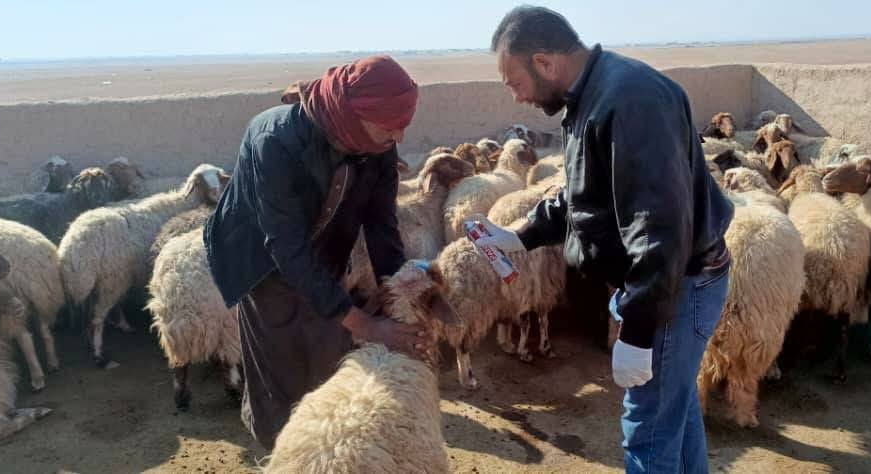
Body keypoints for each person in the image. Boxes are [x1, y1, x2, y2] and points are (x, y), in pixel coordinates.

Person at [478, 6, 735, 473]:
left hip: (676, 288)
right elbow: (583, 195)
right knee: (673, 414)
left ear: (543, 62)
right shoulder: (589, 98)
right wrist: (521, 237)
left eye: (514, 83)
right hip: (660, 287)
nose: (516, 98)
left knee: (649, 429)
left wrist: (637, 330)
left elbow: (658, 225)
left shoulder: (630, 100)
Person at [203, 55, 434, 450]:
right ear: (355, 114)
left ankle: (325, 451)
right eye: (391, 125)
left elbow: (381, 225)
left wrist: (401, 293)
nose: (399, 136)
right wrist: (367, 325)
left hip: (324, 254)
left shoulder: (376, 146)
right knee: (280, 374)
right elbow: (286, 248)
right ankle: (281, 453)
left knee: (330, 359)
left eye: (405, 125)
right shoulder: (275, 142)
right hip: (263, 265)